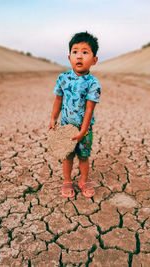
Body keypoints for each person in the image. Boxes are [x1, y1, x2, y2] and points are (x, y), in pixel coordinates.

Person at [48, 31, 101, 198]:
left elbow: (89, 109)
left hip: (84, 129)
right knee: (68, 155)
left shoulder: (93, 83)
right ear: (69, 57)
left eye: (85, 52)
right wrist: (53, 119)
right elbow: (58, 99)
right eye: (75, 52)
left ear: (94, 60)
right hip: (66, 127)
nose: (79, 56)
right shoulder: (63, 78)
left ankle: (83, 180)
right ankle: (67, 180)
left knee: (84, 156)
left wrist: (82, 131)